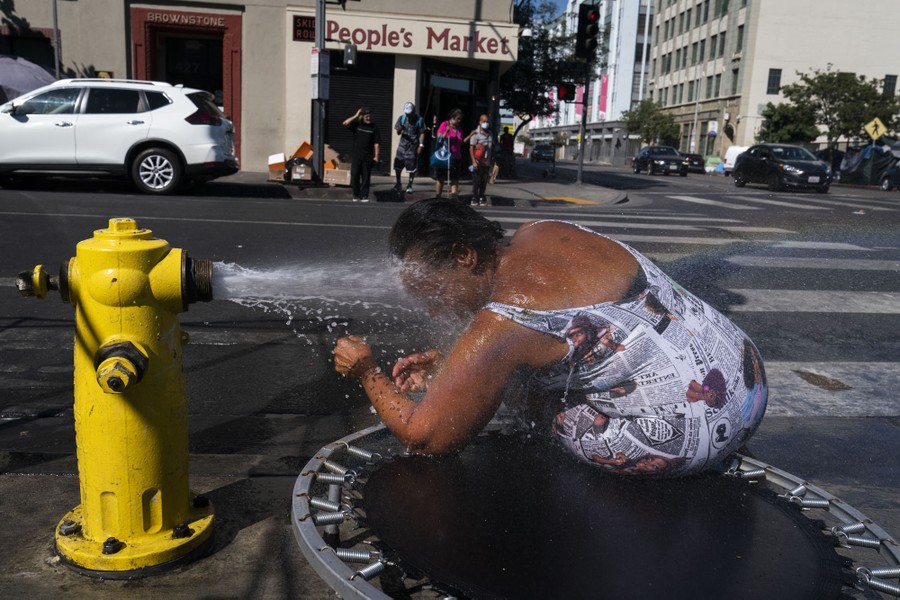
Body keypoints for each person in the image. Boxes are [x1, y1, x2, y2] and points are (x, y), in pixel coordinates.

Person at [333, 198, 768, 478]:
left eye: (436, 293)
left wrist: (368, 372)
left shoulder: (502, 324)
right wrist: (454, 364)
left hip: (695, 435)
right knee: (504, 368)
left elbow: (426, 439)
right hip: (746, 374)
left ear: (465, 255)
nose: (435, 310)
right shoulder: (540, 229)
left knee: (514, 386)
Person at [342, 107, 381, 202]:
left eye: (370, 116)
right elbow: (345, 123)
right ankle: (356, 195)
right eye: (367, 116)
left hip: (367, 156)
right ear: (363, 117)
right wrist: (356, 115)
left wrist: (376, 157)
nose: (368, 118)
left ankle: (364, 196)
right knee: (354, 175)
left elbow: (377, 143)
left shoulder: (374, 127)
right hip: (356, 155)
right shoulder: (357, 125)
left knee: (366, 177)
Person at [393, 102, 426, 196]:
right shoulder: (402, 118)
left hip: (412, 147)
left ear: (414, 111)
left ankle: (410, 185)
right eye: (407, 113)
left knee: (411, 167)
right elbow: (398, 133)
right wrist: (400, 129)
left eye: (410, 113)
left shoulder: (419, 120)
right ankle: (398, 183)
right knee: (398, 165)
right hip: (402, 146)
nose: (408, 115)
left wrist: (421, 145)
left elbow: (422, 132)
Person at [432, 109, 465, 200]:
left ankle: (454, 198)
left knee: (454, 178)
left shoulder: (459, 128)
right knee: (441, 178)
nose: (459, 121)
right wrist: (446, 131)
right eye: (458, 119)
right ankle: (438, 197)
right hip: (445, 157)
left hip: (456, 156)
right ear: (452, 118)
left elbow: (460, 141)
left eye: (460, 119)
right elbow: (439, 138)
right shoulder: (444, 124)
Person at [468, 114, 493, 206]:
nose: (485, 123)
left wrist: (493, 162)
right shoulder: (476, 133)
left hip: (487, 162)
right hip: (478, 161)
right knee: (476, 180)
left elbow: (491, 148)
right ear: (480, 122)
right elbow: (471, 148)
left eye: (487, 121)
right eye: (483, 121)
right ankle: (474, 197)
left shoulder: (490, 134)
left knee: (484, 181)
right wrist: (473, 161)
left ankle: (482, 196)